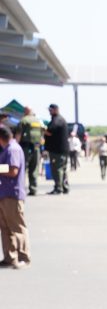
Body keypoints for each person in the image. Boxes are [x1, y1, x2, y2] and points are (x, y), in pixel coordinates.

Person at [0, 125, 30, 268]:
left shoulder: (13, 149)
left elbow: (13, 170)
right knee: (5, 227)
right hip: (4, 193)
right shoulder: (8, 149)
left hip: (12, 194)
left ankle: (24, 257)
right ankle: (9, 257)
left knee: (17, 227)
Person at [15, 107, 43, 196]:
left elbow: (18, 133)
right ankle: (33, 188)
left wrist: (15, 145)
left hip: (25, 147)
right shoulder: (38, 121)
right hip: (36, 147)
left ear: (25, 111)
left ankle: (20, 188)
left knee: (23, 167)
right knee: (34, 168)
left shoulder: (23, 120)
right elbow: (42, 134)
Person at [43, 104, 70, 194]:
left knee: (57, 169)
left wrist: (42, 130)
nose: (49, 112)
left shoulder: (57, 120)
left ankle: (58, 188)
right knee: (62, 169)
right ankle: (64, 187)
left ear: (55, 110)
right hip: (61, 150)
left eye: (51, 110)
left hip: (57, 150)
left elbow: (50, 132)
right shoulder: (59, 119)